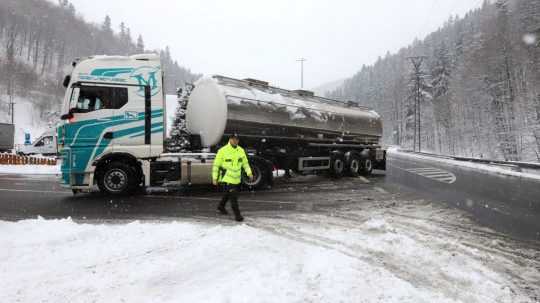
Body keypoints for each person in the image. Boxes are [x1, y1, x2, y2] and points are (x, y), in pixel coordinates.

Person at [212, 133, 253, 222]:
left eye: (237, 139)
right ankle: (238, 215)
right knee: (233, 197)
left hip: (236, 179)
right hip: (226, 178)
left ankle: (221, 206)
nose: (235, 141)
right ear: (230, 139)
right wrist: (215, 178)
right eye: (233, 139)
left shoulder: (241, 150)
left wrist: (249, 173)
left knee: (228, 194)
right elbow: (216, 165)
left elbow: (245, 164)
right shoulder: (222, 151)